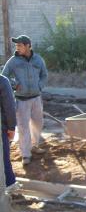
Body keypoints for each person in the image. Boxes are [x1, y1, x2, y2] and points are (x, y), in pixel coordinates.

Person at [2, 35, 48, 166]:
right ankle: (26, 154)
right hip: (21, 100)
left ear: (28, 46)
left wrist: (39, 86)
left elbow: (44, 75)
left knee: (38, 124)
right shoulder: (13, 61)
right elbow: (3, 76)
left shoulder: (38, 59)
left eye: (20, 45)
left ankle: (35, 145)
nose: (17, 47)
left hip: (36, 98)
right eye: (16, 45)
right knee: (23, 127)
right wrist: (13, 84)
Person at [0, 75, 16, 186]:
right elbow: (9, 106)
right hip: (1, 128)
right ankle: (9, 186)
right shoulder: (2, 81)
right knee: (4, 159)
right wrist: (11, 127)